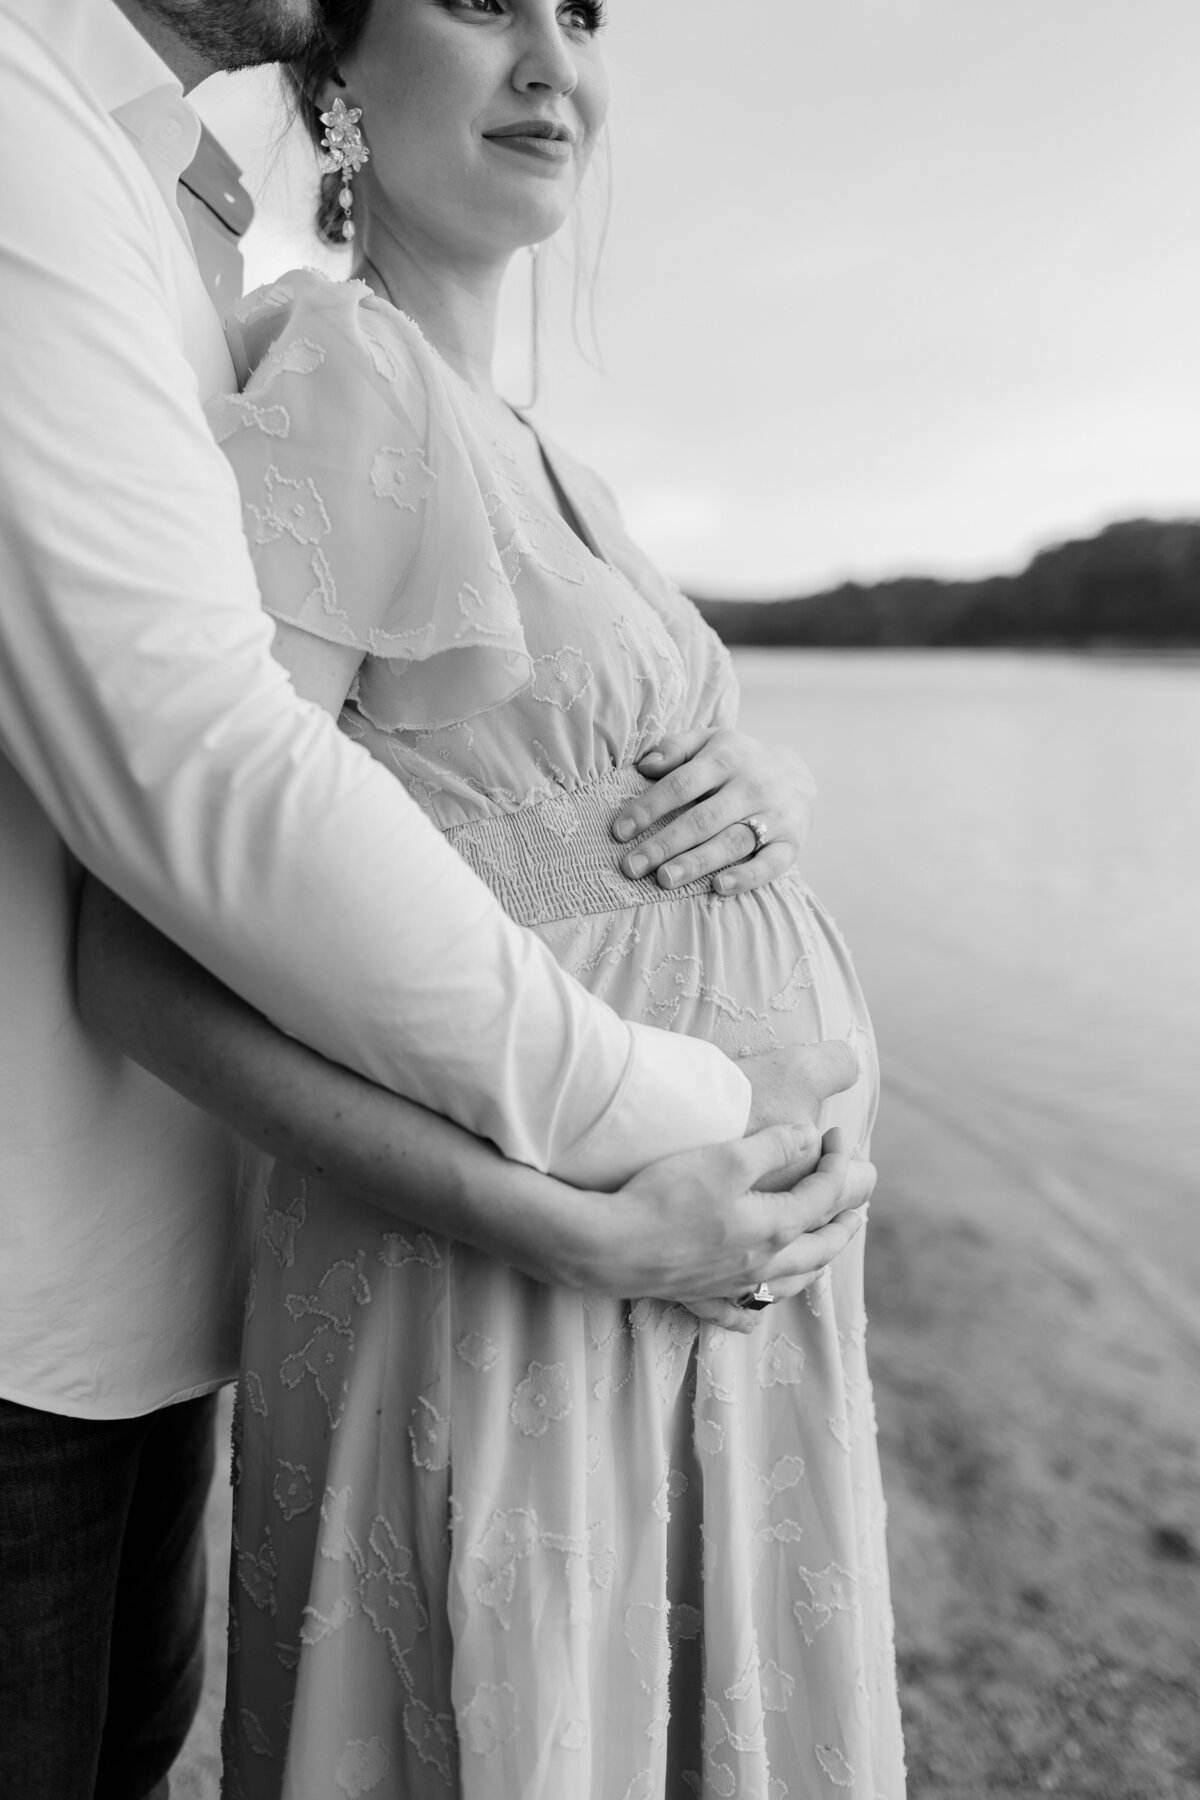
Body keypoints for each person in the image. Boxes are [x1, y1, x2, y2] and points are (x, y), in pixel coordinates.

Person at [0, 3, 871, 1796]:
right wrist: (577, 1216)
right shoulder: (339, 371)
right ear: (336, 82)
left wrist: (770, 796)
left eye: (581, 14)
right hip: (536, 1292)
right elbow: (162, 912)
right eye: (483, 4)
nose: (554, 61)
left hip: (698, 1291)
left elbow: (565, 800)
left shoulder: (563, 463)